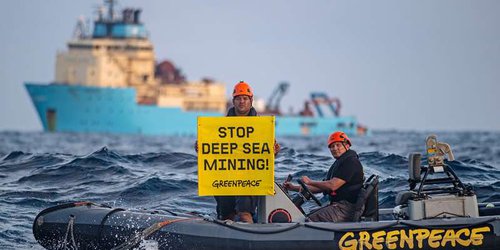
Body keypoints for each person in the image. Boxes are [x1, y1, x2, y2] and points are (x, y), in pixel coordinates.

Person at [196, 80, 280, 223]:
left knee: (244, 213)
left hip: (250, 178)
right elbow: (211, 151)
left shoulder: (262, 126)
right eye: (239, 98)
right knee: (226, 215)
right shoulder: (221, 126)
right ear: (233, 101)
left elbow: (267, 154)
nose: (242, 102)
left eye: (245, 98)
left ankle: (253, 240)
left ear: (251, 100)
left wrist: (274, 151)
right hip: (225, 177)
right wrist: (200, 148)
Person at [284, 131, 363, 222]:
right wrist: (293, 187)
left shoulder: (351, 162)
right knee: (305, 216)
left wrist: (310, 181)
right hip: (338, 206)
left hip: (346, 209)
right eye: (332, 146)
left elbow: (333, 185)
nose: (335, 148)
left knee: (308, 221)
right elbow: (320, 188)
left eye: (338, 145)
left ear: (347, 146)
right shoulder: (339, 163)